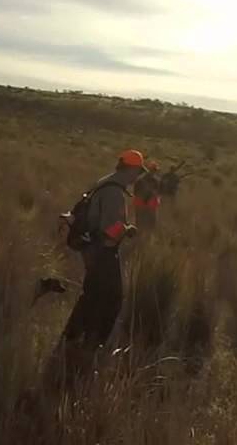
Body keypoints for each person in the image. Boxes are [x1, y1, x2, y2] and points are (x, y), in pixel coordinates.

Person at [57, 149, 145, 367]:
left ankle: (71, 339)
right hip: (103, 252)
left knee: (90, 297)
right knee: (112, 300)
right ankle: (93, 346)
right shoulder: (115, 193)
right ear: (130, 169)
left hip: (91, 250)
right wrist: (126, 230)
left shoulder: (104, 182)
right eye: (137, 172)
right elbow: (109, 230)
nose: (138, 177)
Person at [132, 160, 163, 231]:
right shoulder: (155, 181)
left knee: (143, 224)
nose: (154, 172)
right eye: (153, 170)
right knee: (147, 224)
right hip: (147, 205)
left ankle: (142, 237)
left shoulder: (140, 180)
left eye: (154, 170)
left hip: (144, 205)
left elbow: (135, 192)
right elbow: (159, 192)